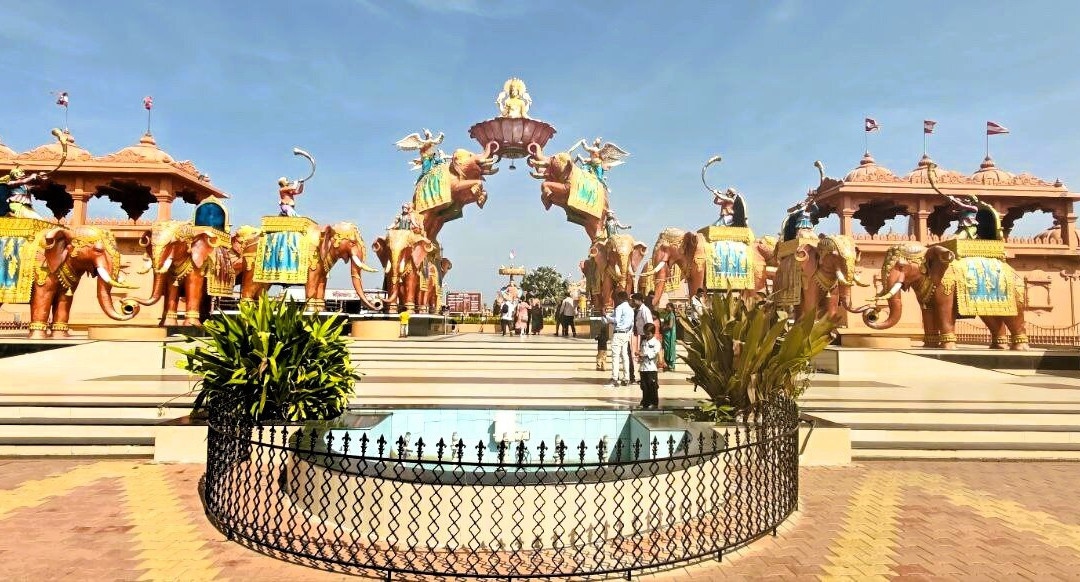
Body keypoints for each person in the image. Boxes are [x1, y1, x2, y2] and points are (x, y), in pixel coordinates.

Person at [602, 290, 634, 388]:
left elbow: (616, 320)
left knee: (615, 356)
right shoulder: (630, 309)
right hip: (626, 334)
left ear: (620, 298)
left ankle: (615, 378)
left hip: (618, 333)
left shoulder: (620, 307)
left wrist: (606, 315)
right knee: (625, 356)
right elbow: (631, 324)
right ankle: (626, 378)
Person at [638, 322, 661, 409]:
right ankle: (645, 401)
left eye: (648, 333)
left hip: (651, 368)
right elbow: (641, 351)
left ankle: (654, 402)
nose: (647, 335)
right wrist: (640, 356)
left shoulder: (656, 343)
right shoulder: (644, 342)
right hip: (643, 368)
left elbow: (654, 353)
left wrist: (643, 354)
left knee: (652, 386)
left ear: (653, 333)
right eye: (645, 333)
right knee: (644, 386)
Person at [660, 302, 678, 372]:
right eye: (666, 307)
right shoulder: (668, 314)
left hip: (669, 334)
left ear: (672, 308)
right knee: (666, 349)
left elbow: (670, 326)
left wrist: (663, 328)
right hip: (666, 334)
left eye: (668, 307)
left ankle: (671, 364)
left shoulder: (671, 315)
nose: (667, 308)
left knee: (669, 348)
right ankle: (667, 363)